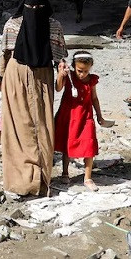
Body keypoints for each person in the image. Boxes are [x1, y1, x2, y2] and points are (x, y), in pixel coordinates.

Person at [0, 0, 68, 196]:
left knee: (42, 127)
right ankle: (21, 180)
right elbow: (5, 54)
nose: (34, 10)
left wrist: (61, 77)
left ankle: (40, 180)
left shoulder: (53, 26)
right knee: (18, 128)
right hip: (17, 77)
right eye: (31, 7)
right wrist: (2, 81)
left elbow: (60, 60)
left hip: (42, 77)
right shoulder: (12, 24)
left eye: (39, 7)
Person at [54, 51, 112, 192]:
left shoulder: (91, 80)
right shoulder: (70, 77)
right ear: (74, 66)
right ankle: (65, 173)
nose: (82, 74)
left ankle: (87, 177)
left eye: (86, 71)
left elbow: (94, 98)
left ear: (91, 67)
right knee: (68, 143)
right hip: (69, 116)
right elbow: (58, 87)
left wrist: (99, 116)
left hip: (85, 116)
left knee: (89, 144)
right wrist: (61, 74)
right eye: (80, 71)